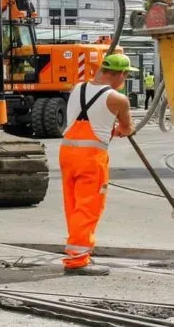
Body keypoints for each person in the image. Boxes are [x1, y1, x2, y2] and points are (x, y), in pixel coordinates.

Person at [59, 53, 137, 276]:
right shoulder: (118, 99)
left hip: (67, 153)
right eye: (126, 76)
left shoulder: (77, 88)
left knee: (73, 204)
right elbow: (127, 128)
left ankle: (77, 251)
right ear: (119, 74)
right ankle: (78, 261)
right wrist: (119, 130)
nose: (125, 80)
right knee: (88, 206)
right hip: (91, 158)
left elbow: (88, 117)